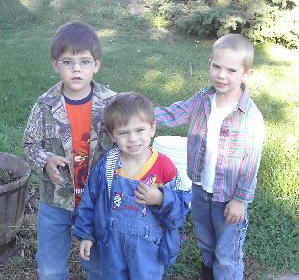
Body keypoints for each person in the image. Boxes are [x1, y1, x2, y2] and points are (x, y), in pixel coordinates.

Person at [154, 33, 265, 280]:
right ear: (210, 64)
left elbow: (250, 164)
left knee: (227, 252)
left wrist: (240, 200)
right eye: (216, 66)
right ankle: (208, 273)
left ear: (247, 74)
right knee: (206, 241)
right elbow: (174, 114)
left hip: (229, 199)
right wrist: (141, 118)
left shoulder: (249, 116)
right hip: (201, 190)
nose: (221, 75)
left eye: (231, 70)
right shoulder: (203, 100)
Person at [23, 21, 117, 280]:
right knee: (50, 268)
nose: (76, 69)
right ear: (56, 64)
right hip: (56, 200)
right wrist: (45, 160)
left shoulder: (112, 104)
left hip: (98, 200)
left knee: (99, 267)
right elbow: (30, 144)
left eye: (85, 62)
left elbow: (130, 143)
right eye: (67, 62)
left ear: (96, 64)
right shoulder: (44, 106)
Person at [74, 92, 191, 280]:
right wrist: (86, 234)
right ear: (112, 136)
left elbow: (181, 210)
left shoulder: (164, 167)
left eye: (140, 130)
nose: (133, 139)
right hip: (112, 243)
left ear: (153, 128)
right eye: (123, 133)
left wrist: (161, 199)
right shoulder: (108, 165)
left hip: (147, 248)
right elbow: (90, 199)